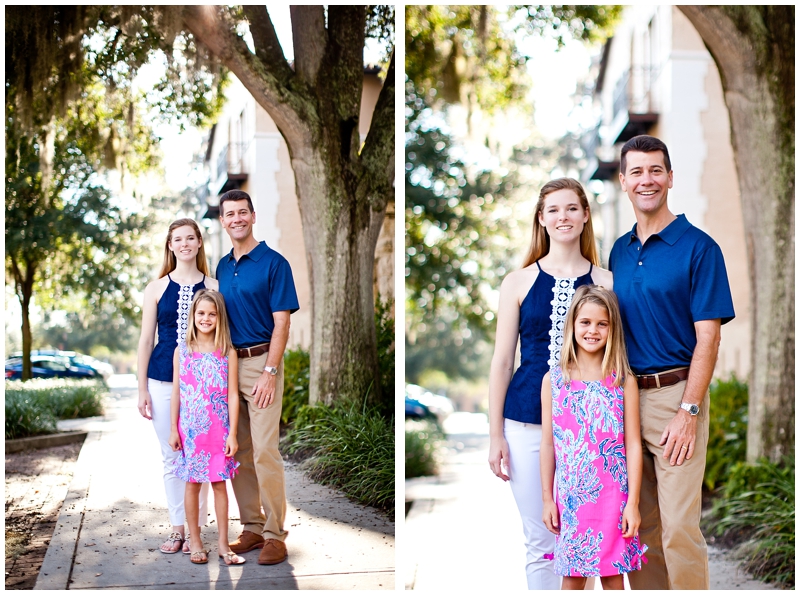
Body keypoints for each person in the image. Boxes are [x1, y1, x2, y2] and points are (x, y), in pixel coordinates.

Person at [609, 135, 735, 590]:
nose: (647, 180)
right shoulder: (619, 252)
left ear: (670, 178)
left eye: (656, 171)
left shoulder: (700, 248)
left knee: (680, 529)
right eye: (637, 172)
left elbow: (710, 339)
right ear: (623, 181)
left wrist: (688, 410)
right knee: (640, 528)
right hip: (624, 401)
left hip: (674, 401)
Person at [488, 178, 613, 589]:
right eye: (554, 210)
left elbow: (617, 357)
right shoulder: (518, 282)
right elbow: (503, 361)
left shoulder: (609, 282)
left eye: (572, 208)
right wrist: (495, 437)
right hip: (525, 421)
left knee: (589, 538)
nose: (563, 217)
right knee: (542, 538)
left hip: (591, 428)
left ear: (585, 215)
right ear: (541, 219)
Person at [540, 285, 647, 590]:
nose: (593, 331)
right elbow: (548, 444)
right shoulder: (554, 380)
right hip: (572, 501)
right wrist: (548, 499)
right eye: (585, 322)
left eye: (602, 323)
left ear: (612, 329)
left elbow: (633, 444)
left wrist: (633, 503)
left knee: (613, 578)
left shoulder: (623, 380)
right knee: (572, 579)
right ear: (572, 324)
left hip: (615, 499)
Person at [215, 189, 300, 565]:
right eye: (229, 214)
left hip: (262, 361)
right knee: (239, 451)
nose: (236, 219)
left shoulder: (274, 263)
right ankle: (251, 526)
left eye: (242, 212)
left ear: (253, 215)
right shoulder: (221, 266)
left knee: (265, 451)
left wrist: (269, 372)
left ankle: (275, 535)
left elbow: (282, 323)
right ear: (222, 220)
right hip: (228, 364)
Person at [137, 218, 212, 555]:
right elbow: (144, 340)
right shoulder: (155, 288)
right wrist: (141, 390)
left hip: (201, 384)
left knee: (198, 458)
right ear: (170, 245)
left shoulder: (214, 285)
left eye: (190, 238)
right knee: (172, 456)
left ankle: (197, 531)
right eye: (177, 239)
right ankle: (178, 529)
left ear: (198, 243)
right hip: (161, 381)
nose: (184, 244)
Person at [169, 289, 243, 565]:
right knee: (191, 485)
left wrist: (233, 433)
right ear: (193, 316)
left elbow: (233, 395)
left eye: (212, 314)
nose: (206, 318)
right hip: (190, 430)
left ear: (219, 318)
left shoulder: (227, 352)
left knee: (219, 485)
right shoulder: (183, 351)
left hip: (219, 429)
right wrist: (173, 429)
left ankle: (224, 545)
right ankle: (196, 541)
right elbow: (176, 392)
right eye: (201, 313)